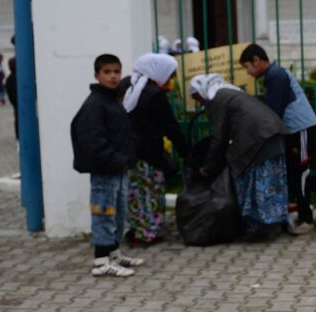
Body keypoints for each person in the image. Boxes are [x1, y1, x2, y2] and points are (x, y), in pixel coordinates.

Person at [188, 73, 289, 243]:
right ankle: (271, 224)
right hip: (273, 134)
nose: (200, 103)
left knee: (254, 183)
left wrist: (208, 166)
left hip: (259, 139)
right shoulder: (230, 93)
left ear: (202, 90)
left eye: (197, 97)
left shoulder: (217, 99)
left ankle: (258, 228)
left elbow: (218, 137)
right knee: (271, 182)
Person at [70, 53, 145, 278]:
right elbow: (93, 140)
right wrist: (116, 160)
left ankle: (114, 253)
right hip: (105, 171)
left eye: (116, 72)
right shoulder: (95, 104)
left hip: (118, 169)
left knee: (118, 213)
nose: (113, 77)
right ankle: (101, 261)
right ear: (97, 75)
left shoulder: (112, 100)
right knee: (104, 213)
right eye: (107, 72)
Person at [239, 44, 316, 234]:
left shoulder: (276, 75)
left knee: (301, 172)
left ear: (257, 60)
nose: (248, 73)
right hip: (294, 131)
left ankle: (306, 219)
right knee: (293, 172)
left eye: (247, 67)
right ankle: (296, 216)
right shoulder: (273, 75)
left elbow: (273, 112)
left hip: (301, 129)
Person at [120, 53, 191, 246]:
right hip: (149, 153)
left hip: (127, 153)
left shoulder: (128, 84)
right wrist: (186, 152)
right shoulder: (153, 94)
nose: (170, 79)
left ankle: (133, 230)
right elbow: (170, 126)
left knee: (134, 194)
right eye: (169, 74)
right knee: (150, 195)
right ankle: (146, 234)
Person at [4, 57, 19, 141]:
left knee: (17, 119)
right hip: (18, 103)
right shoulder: (18, 77)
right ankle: (18, 136)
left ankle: (18, 135)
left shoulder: (9, 78)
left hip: (15, 103)